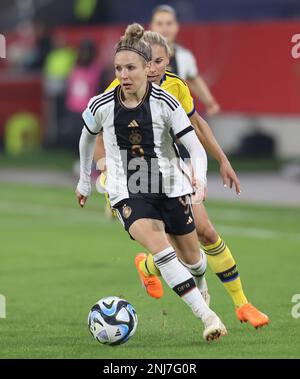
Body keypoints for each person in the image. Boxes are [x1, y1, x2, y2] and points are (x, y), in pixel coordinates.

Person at [95, 30, 269, 329]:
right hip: (136, 180)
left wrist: (222, 160)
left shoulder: (176, 87)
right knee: (172, 247)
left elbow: (196, 125)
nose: (151, 68)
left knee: (206, 234)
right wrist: (105, 173)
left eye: (158, 62)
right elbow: (99, 132)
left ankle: (241, 304)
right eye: (146, 62)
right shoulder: (120, 87)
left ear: (167, 62)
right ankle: (201, 305)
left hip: (173, 171)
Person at [76, 23, 226, 342]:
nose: (124, 75)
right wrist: (84, 182)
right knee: (162, 251)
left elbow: (194, 147)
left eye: (130, 68)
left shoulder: (166, 103)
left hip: (169, 183)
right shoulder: (102, 104)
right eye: (118, 68)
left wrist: (198, 177)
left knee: (194, 259)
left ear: (147, 67)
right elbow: (86, 139)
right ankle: (208, 317)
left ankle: (200, 285)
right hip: (126, 189)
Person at [150, 4, 220, 116]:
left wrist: (210, 103)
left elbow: (193, 79)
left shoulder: (184, 56)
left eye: (169, 23)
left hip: (174, 116)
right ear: (152, 26)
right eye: (159, 24)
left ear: (176, 27)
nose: (164, 28)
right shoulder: (141, 54)